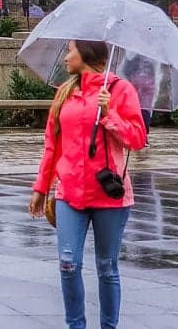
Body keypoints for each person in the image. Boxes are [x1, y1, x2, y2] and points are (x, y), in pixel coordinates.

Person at [29, 40, 147, 329]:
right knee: (68, 264)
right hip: (69, 192)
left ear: (86, 54)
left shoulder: (120, 90)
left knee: (107, 268)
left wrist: (110, 115)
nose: (66, 56)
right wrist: (41, 187)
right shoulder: (64, 93)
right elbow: (51, 146)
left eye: (70, 49)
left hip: (109, 195)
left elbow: (138, 139)